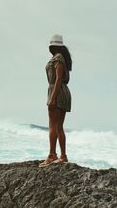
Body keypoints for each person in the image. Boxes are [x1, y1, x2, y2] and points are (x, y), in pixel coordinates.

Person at [39, 34, 72, 167]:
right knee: (58, 126)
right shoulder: (61, 58)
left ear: (52, 46)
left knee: (53, 125)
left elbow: (58, 78)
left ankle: (52, 155)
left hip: (57, 91)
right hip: (62, 91)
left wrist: (52, 97)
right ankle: (63, 156)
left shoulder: (58, 58)